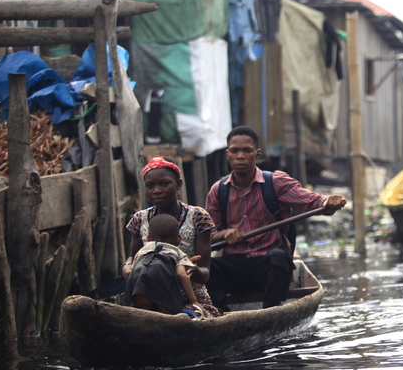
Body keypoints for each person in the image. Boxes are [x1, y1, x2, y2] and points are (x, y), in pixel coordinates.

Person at [205, 126, 347, 310]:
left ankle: (270, 310)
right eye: (235, 151)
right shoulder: (218, 190)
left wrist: (329, 201)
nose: (240, 156)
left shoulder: (275, 182)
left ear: (257, 154)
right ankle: (220, 314)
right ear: (227, 154)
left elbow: (312, 201)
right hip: (236, 268)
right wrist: (223, 234)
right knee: (208, 267)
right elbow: (207, 235)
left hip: (269, 269)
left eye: (247, 150)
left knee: (279, 257)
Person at [121, 156, 221, 317]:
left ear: (179, 185)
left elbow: (205, 274)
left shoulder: (197, 217)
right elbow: (133, 257)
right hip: (150, 293)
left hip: (188, 294)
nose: (157, 190)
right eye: (150, 186)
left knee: (193, 317)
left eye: (164, 183)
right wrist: (126, 266)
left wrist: (190, 269)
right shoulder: (140, 219)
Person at [124, 213, 206, 317]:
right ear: (178, 240)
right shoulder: (177, 252)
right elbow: (181, 275)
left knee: (142, 316)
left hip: (139, 281)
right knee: (169, 318)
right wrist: (194, 301)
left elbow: (133, 268)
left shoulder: (142, 251)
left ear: (149, 238)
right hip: (161, 283)